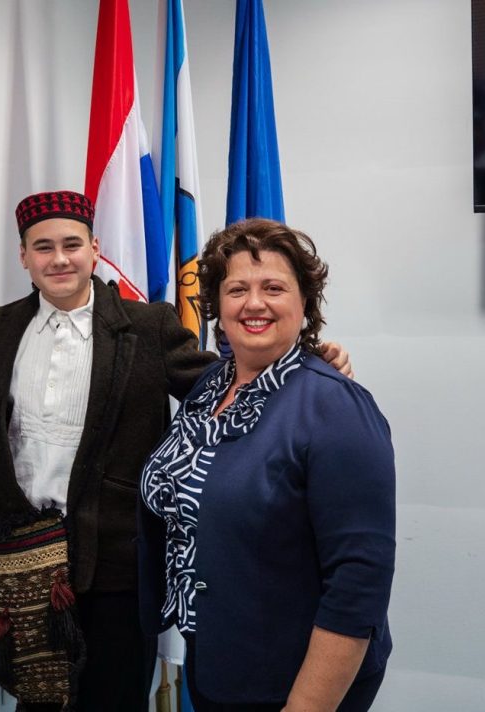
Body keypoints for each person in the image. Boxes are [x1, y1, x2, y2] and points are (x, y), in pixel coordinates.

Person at [0, 191, 351, 712]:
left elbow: (223, 384)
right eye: (43, 247)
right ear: (24, 256)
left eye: (71, 244)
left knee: (113, 700)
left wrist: (303, 367)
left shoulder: (147, 326)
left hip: (114, 563)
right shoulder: (0, 329)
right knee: (38, 702)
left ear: (94, 248)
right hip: (26, 562)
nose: (59, 258)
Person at [138, 218, 395, 711]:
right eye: (237, 289)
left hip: (293, 682)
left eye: (273, 288)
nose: (254, 303)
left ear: (305, 302)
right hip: (216, 662)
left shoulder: (335, 407)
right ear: (218, 305)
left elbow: (358, 583)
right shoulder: (209, 387)